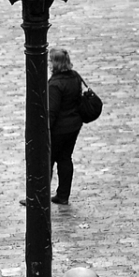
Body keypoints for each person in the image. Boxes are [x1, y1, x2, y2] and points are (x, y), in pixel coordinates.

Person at [49, 48, 83, 205]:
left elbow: (52, 111)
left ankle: (39, 196)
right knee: (64, 158)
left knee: (46, 161)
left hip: (58, 129)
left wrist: (45, 130)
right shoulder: (74, 76)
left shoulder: (55, 84)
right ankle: (63, 194)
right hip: (74, 125)